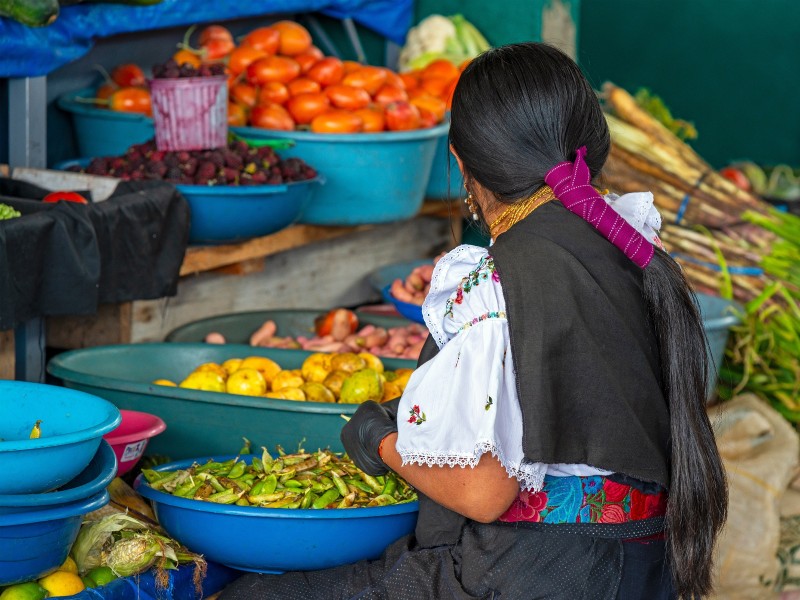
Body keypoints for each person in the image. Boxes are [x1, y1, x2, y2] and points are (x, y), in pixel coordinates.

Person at [220, 42, 727, 600]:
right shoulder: (628, 243)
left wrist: (381, 441)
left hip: (537, 574)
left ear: (462, 164)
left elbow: (483, 491)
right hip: (638, 564)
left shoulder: (498, 279)